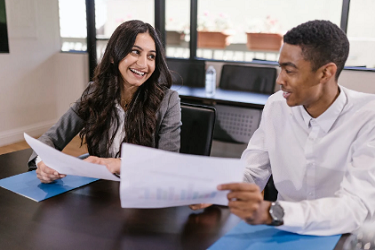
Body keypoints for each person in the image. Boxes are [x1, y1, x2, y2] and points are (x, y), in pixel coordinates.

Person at [194, 20, 375, 236]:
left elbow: (354, 207)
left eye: (290, 71)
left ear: (326, 73)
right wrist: (215, 190)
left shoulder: (368, 117)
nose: (280, 79)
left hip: (344, 236)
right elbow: (252, 170)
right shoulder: (276, 105)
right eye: (281, 68)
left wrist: (274, 212)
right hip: (282, 231)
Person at [28, 20, 181, 183]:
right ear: (114, 56)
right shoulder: (95, 92)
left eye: (151, 56)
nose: (144, 64)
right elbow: (51, 138)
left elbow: (167, 163)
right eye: (135, 52)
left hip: (142, 192)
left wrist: (119, 164)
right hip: (100, 192)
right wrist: (43, 163)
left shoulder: (168, 100)